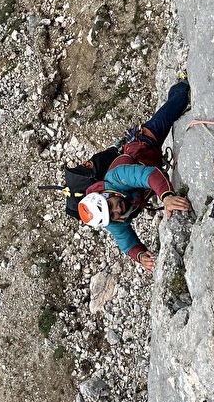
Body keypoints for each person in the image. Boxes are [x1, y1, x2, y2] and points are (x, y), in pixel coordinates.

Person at [77, 77, 192, 272]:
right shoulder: (110, 219)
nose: (118, 211)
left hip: (145, 143)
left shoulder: (117, 177)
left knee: (179, 99)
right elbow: (126, 242)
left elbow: (149, 176)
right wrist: (141, 255)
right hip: (151, 158)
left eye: (111, 206)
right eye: (112, 215)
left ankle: (181, 80)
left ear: (105, 195)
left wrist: (167, 197)